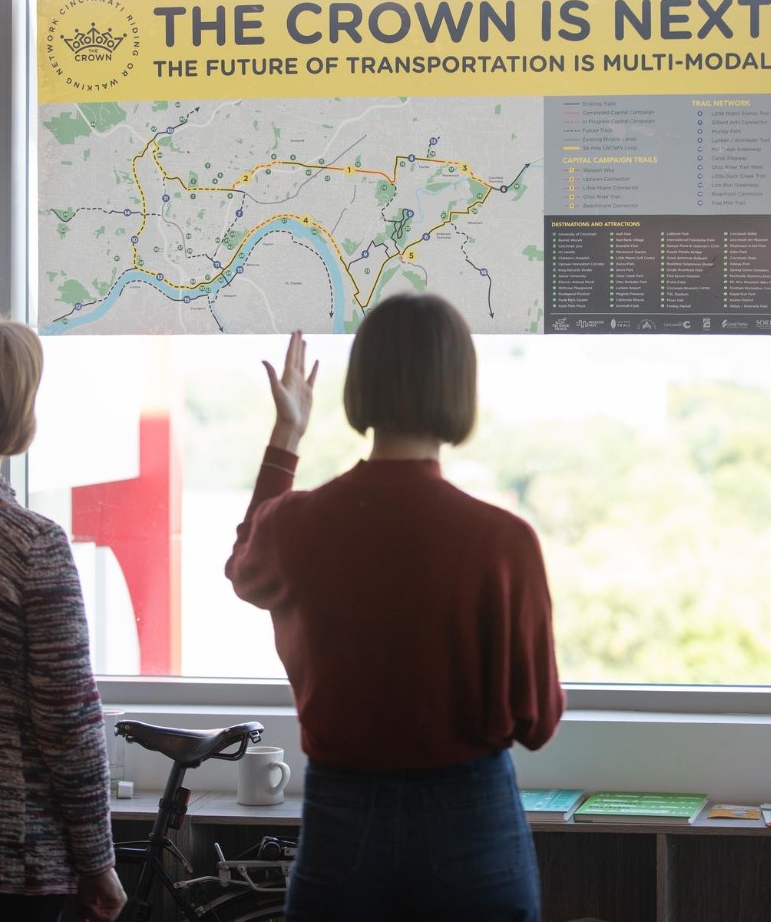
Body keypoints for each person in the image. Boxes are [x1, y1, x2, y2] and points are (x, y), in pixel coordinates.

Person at [226, 294, 565, 922]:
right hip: (473, 821)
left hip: (342, 818)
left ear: (362, 385)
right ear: (458, 388)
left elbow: (243, 568)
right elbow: (537, 723)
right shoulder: (504, 540)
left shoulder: (298, 526)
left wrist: (287, 435)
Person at [0, 318, 126, 922]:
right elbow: (66, 719)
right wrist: (99, 862)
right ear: (17, 410)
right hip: (9, 862)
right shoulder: (30, 544)